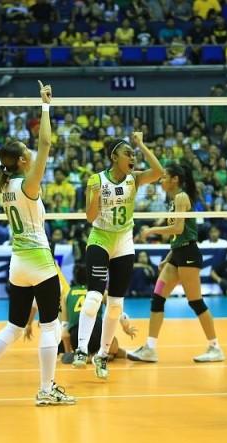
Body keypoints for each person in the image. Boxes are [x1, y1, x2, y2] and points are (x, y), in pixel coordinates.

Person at [0, 81, 76, 407]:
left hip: (17, 263)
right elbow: (48, 141)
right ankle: (46, 389)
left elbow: (37, 148)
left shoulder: (5, 187)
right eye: (28, 153)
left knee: (12, 326)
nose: (32, 153)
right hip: (38, 258)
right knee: (51, 326)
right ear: (24, 161)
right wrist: (45, 105)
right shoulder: (29, 183)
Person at [72, 131, 163, 380]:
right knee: (92, 296)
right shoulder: (96, 180)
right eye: (128, 153)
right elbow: (89, 217)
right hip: (100, 239)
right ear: (114, 157)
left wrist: (142, 145)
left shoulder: (134, 179)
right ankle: (81, 350)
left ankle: (102, 354)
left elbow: (158, 172)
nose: (132, 157)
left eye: (133, 154)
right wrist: (97, 200)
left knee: (115, 305)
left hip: (123, 242)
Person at [129, 163, 225, 363]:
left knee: (196, 302)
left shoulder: (181, 197)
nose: (161, 180)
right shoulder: (174, 200)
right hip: (178, 255)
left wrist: (151, 231)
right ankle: (150, 348)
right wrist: (168, 258)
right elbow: (177, 238)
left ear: (175, 180)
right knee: (157, 298)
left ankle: (215, 347)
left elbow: (179, 229)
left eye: (164, 177)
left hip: (189, 255)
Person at [25, 263, 137, 363]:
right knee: (113, 346)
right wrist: (126, 328)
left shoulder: (67, 294)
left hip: (76, 336)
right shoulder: (99, 292)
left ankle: (83, 355)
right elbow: (119, 312)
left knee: (66, 337)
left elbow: (65, 330)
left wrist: (68, 352)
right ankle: (106, 354)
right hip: (97, 331)